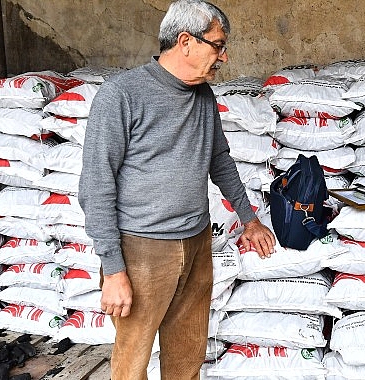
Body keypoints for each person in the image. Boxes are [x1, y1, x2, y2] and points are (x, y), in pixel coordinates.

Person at [78, 1, 275, 378]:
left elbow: (220, 160)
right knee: (132, 360)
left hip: (197, 242)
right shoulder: (122, 95)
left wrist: (249, 220)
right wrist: (114, 269)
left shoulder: (203, 97)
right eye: (217, 45)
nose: (224, 56)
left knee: (187, 358)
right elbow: (96, 187)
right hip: (142, 250)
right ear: (185, 41)